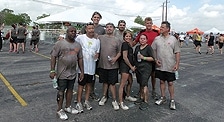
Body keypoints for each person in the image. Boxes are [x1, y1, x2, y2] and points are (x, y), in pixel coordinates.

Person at [49, 26, 84, 120]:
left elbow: (80, 58)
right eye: (71, 31)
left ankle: (68, 106)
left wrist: (82, 71)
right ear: (67, 32)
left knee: (70, 90)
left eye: (74, 31)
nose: (73, 33)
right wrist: (52, 70)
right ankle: (59, 109)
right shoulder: (60, 43)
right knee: (61, 91)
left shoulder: (77, 45)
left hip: (72, 72)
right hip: (62, 73)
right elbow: (53, 57)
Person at [152, 21, 180, 110]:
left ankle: (172, 100)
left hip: (170, 65)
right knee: (161, 81)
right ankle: (163, 97)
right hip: (160, 65)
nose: (160, 28)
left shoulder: (173, 39)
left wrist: (177, 63)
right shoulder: (157, 39)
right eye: (161, 27)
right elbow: (153, 50)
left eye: (163, 27)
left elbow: (177, 52)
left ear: (168, 29)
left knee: (170, 83)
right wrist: (155, 60)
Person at [75, 22, 100, 113]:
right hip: (82, 67)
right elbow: (74, 46)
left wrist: (96, 55)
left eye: (92, 28)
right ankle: (78, 102)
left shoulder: (97, 41)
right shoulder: (80, 38)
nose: (91, 30)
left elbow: (97, 52)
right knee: (81, 85)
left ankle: (86, 101)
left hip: (91, 67)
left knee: (89, 85)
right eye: (89, 28)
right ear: (86, 29)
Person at [132, 17, 159, 100]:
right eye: (147, 23)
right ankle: (141, 91)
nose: (149, 25)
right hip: (143, 55)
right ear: (145, 24)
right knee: (141, 75)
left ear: (152, 24)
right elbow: (135, 42)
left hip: (152, 56)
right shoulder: (142, 33)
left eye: (150, 23)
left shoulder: (156, 33)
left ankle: (153, 90)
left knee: (153, 75)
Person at [81, 11, 105, 101]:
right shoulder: (86, 26)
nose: (96, 19)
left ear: (100, 19)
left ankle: (91, 92)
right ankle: (82, 92)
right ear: (92, 18)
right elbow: (80, 38)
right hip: (85, 56)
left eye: (98, 17)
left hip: (95, 55)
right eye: (94, 17)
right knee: (83, 74)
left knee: (93, 75)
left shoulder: (102, 29)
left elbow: (102, 41)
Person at [98, 23, 121, 110]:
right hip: (102, 64)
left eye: (110, 27)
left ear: (114, 29)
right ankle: (104, 96)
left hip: (113, 66)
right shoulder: (100, 38)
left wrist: (115, 58)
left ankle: (114, 100)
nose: (109, 28)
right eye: (107, 27)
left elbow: (119, 52)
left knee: (112, 83)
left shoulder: (117, 40)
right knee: (105, 82)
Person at [134, 34, 155, 110]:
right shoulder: (137, 47)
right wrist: (134, 65)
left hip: (146, 68)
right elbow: (135, 57)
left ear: (146, 40)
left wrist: (144, 57)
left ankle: (146, 101)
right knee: (140, 84)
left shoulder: (148, 48)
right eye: (141, 39)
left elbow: (153, 58)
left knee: (144, 84)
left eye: (144, 39)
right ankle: (141, 97)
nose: (142, 40)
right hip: (138, 68)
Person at [118, 31, 137, 110]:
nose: (128, 38)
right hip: (125, 66)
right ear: (124, 37)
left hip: (128, 66)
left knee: (130, 81)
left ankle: (128, 96)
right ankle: (120, 102)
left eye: (129, 36)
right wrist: (131, 67)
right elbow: (125, 57)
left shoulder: (129, 44)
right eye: (126, 36)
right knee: (122, 84)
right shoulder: (125, 44)